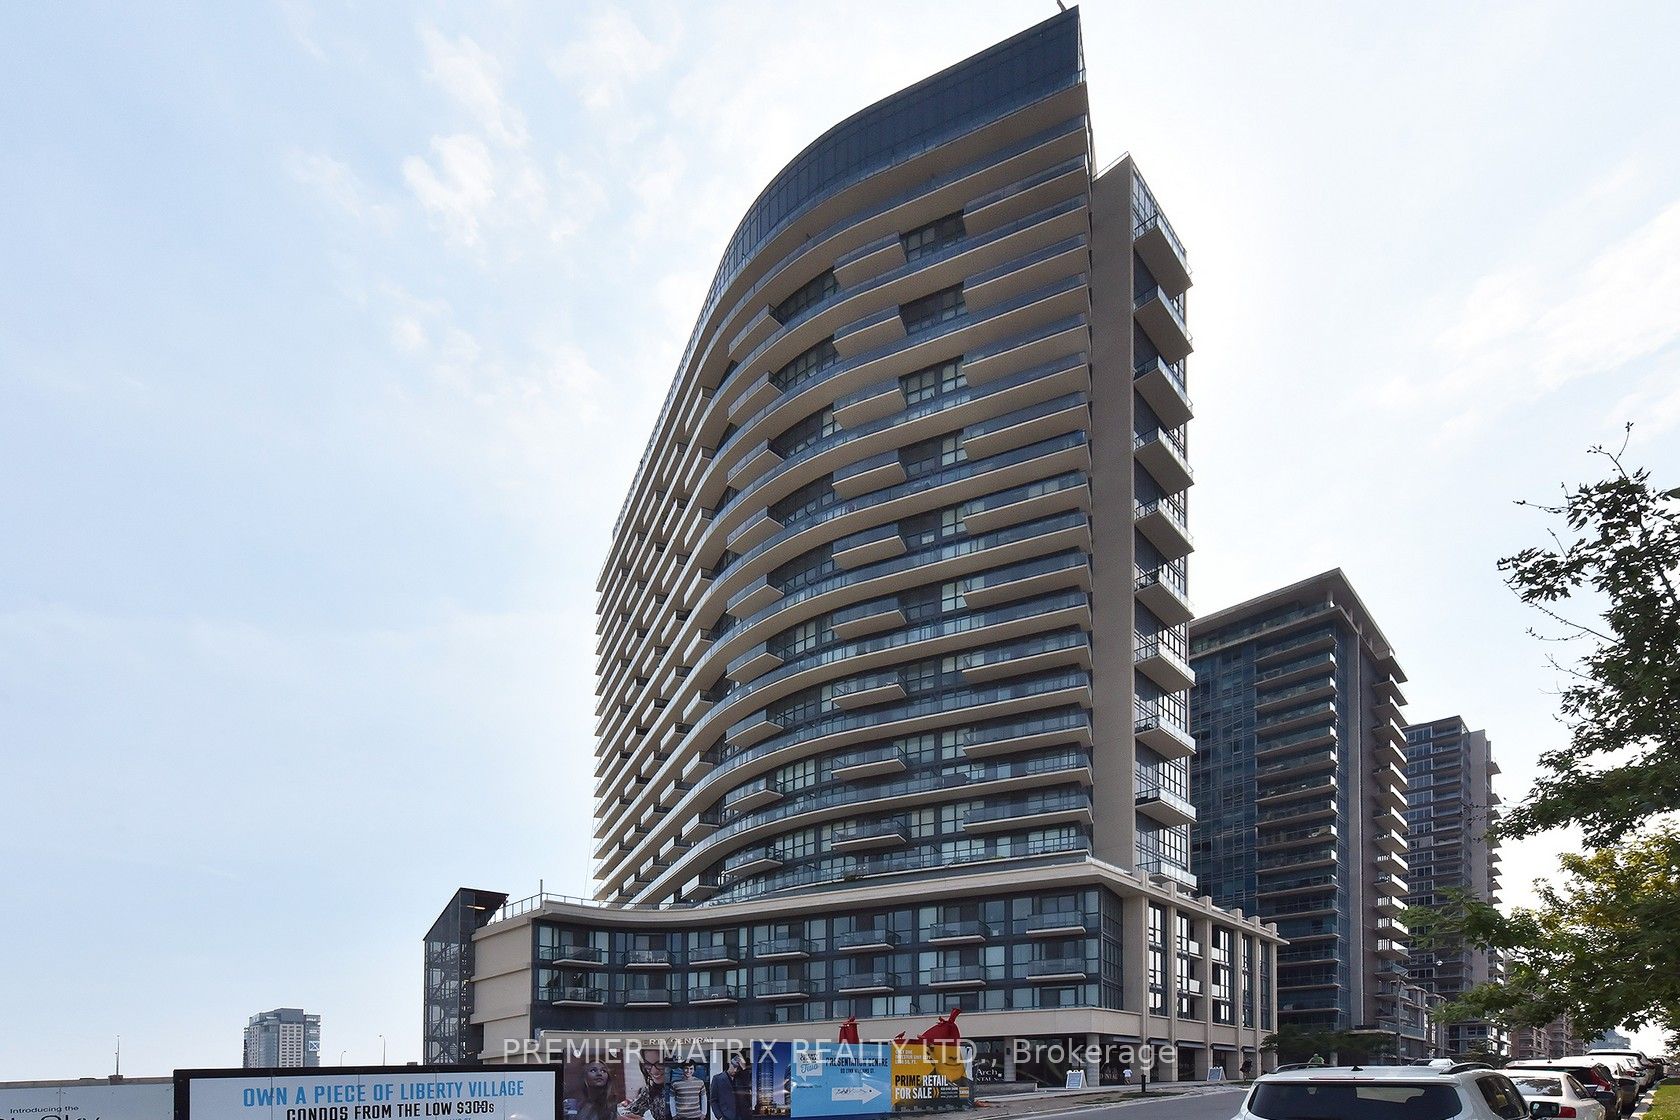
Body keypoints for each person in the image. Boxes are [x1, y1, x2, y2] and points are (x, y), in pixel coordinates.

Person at [710, 1055, 746, 1120]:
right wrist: (720, 1117)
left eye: (738, 1068)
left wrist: (744, 1068)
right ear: (730, 1064)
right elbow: (713, 1100)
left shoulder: (741, 1079)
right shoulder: (717, 1079)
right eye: (734, 1067)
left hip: (741, 1116)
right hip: (725, 1116)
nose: (735, 1070)